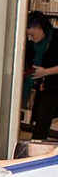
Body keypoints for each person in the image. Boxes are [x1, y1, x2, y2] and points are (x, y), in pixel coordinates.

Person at [26, 12, 58, 146]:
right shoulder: (32, 45)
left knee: (42, 120)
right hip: (44, 87)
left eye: (32, 35)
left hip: (54, 85)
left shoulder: (56, 38)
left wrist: (45, 72)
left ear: (39, 27)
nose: (30, 39)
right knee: (41, 121)